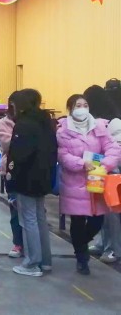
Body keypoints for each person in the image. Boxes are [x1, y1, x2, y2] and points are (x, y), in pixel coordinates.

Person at [57, 93, 121, 275]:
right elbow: (63, 156)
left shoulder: (99, 126)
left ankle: (81, 244)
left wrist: (105, 164)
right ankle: (82, 258)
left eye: (85, 105)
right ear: (70, 108)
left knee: (97, 221)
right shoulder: (63, 131)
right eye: (78, 105)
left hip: (97, 181)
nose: (82, 108)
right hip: (75, 184)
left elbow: (113, 148)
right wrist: (81, 163)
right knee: (77, 221)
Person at [6, 89, 57, 277]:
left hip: (26, 179)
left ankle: (32, 263)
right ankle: (45, 261)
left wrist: (11, 176)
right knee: (40, 219)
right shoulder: (46, 123)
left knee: (28, 220)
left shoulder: (24, 125)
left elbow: (19, 155)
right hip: (43, 177)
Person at [83, 85, 121, 264]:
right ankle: (103, 243)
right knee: (102, 212)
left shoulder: (114, 123)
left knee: (112, 213)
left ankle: (114, 249)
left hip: (113, 175)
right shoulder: (96, 123)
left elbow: (117, 151)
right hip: (99, 173)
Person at [0, 92, 24, 259]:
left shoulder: (35, 122)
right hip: (11, 170)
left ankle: (34, 244)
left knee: (35, 211)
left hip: (33, 171)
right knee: (15, 209)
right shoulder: (3, 123)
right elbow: (8, 145)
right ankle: (18, 243)